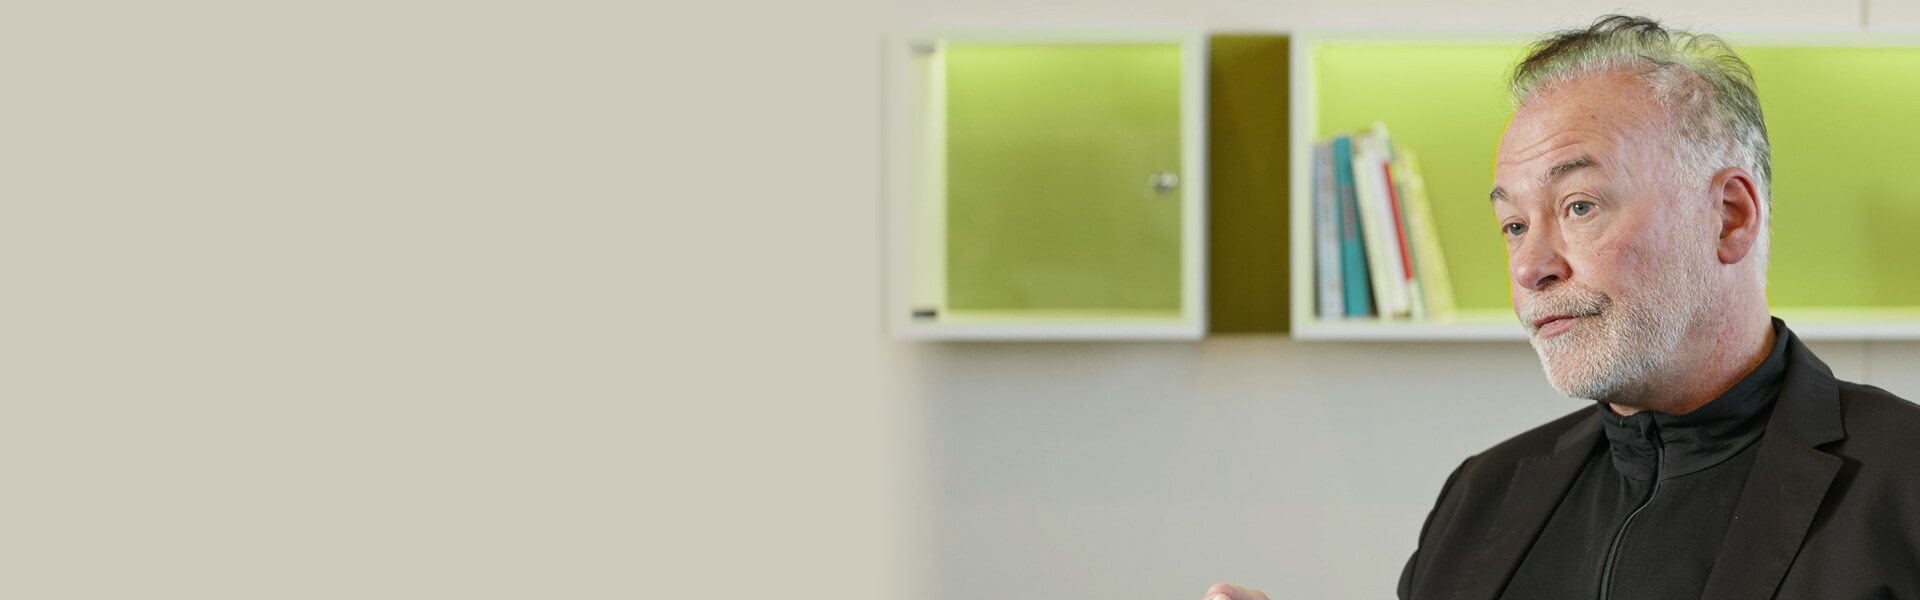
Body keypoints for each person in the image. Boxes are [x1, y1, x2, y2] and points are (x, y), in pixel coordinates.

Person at [1201, 15, 1920, 600]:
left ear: (1729, 216)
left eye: (1579, 205)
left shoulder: (1906, 481)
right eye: (1514, 224)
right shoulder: (1481, 494)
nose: (1528, 267)